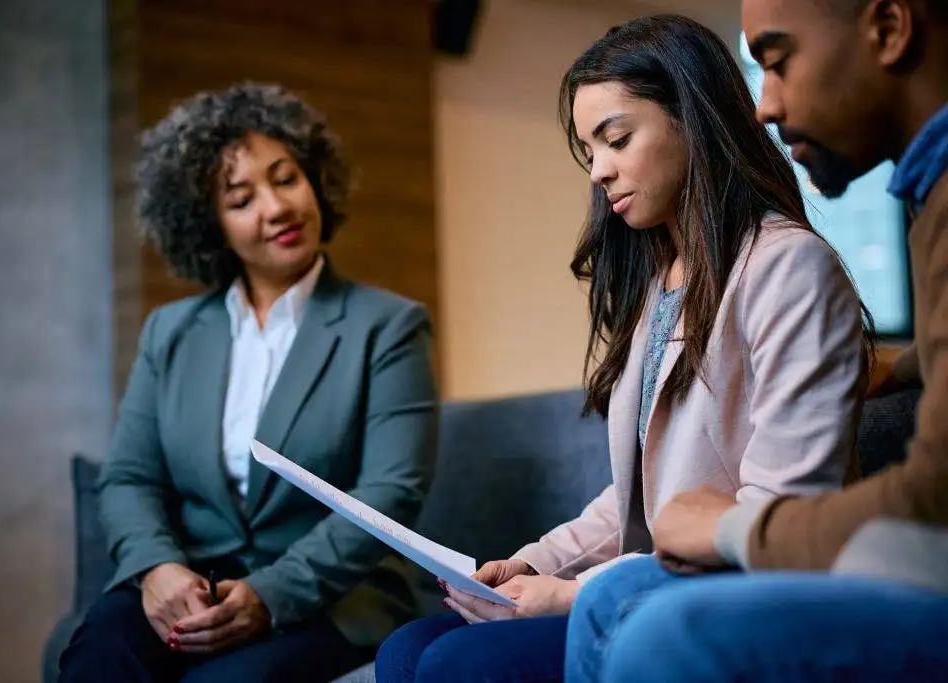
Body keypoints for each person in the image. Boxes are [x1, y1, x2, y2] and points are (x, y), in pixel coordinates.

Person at [375, 14, 875, 683]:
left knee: (454, 664)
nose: (600, 172)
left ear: (691, 119)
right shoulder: (660, 283)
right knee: (404, 649)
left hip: (725, 597)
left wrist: (576, 594)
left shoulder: (789, 269)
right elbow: (632, 501)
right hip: (643, 585)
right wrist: (534, 564)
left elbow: (776, 520)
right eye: (590, 152)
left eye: (616, 139)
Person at [565, 1, 948, 681]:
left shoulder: (790, 264)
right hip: (698, 560)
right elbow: (633, 493)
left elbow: (924, 501)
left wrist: (721, 526)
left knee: (642, 624)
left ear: (889, 30)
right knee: (433, 646)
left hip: (741, 562)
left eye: (776, 62)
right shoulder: (928, 202)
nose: (765, 106)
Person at [57, 82, 439, 683]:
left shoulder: (388, 325)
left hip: (334, 598)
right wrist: (157, 568)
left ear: (316, 179)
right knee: (97, 655)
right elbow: (130, 477)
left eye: (286, 179)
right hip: (190, 582)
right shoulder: (172, 331)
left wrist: (269, 594)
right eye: (241, 198)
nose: (277, 207)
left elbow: (388, 496)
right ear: (210, 226)